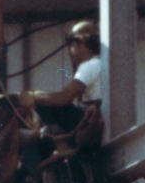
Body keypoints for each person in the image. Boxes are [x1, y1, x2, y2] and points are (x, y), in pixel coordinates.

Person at [18, 20, 102, 161]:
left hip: (89, 123)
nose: (69, 50)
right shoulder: (100, 63)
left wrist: (32, 96)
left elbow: (62, 98)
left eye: (72, 44)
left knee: (44, 103)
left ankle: (61, 145)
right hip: (94, 122)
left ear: (83, 43)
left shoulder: (90, 66)